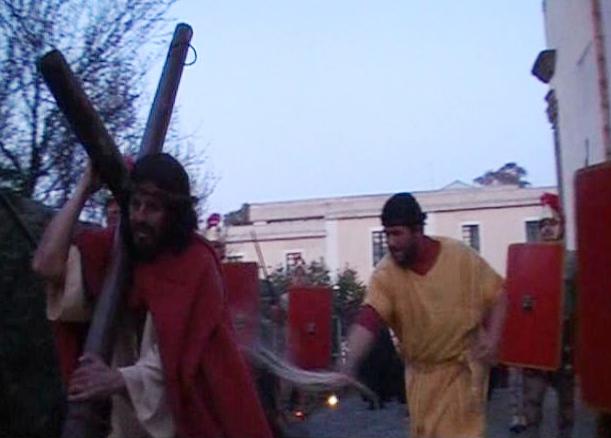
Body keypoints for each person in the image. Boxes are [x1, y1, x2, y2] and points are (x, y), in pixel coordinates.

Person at [32, 153, 272, 438]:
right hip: (123, 425)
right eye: (135, 204)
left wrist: (119, 379)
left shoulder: (196, 264)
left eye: (153, 207)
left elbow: (182, 355)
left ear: (174, 214)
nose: (140, 217)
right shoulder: (112, 250)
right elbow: (46, 264)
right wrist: (84, 186)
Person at [341, 192, 507, 438]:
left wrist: (493, 339)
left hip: (460, 376)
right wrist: (347, 365)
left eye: (397, 233)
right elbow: (369, 318)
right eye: (387, 234)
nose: (391, 242)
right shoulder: (386, 274)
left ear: (417, 230)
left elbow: (499, 295)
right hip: (420, 381)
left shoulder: (459, 256)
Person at [521, 193, 576, 438]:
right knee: (532, 406)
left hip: (565, 342)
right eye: (542, 225)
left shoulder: (574, 261)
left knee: (566, 408)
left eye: (551, 223)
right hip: (535, 343)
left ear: (561, 226)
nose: (546, 229)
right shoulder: (528, 261)